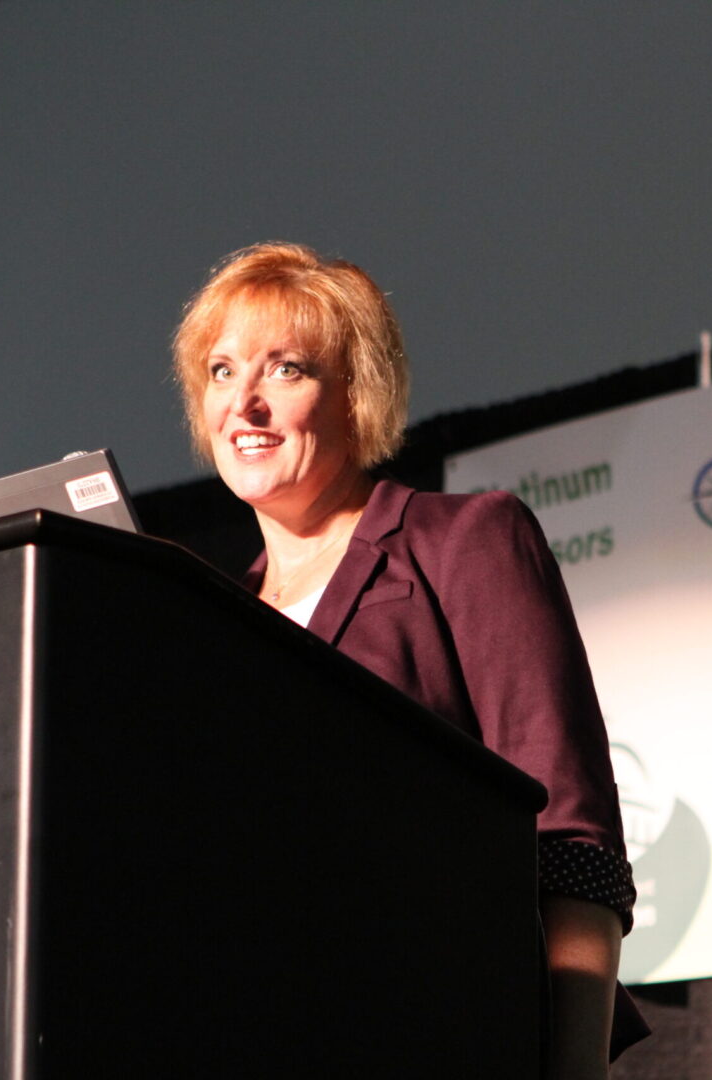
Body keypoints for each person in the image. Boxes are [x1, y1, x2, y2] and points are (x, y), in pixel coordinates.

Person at [172, 242, 647, 1076]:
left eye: (285, 370)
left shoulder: (463, 543)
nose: (243, 403)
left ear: (357, 396)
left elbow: (572, 842)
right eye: (220, 371)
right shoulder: (209, 629)